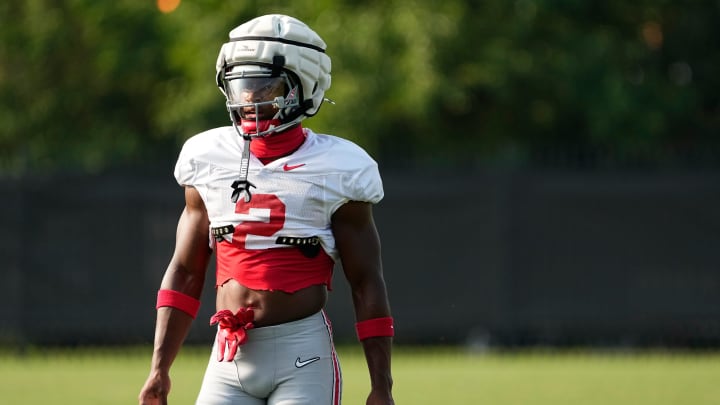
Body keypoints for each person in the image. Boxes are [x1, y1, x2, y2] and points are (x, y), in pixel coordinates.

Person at [138, 14, 395, 405]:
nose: (248, 99)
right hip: (228, 357)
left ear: (303, 87)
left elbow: (366, 281)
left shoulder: (339, 166)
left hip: (302, 356)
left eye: (264, 86)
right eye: (240, 85)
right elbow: (186, 270)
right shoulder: (207, 157)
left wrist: (382, 385)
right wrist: (159, 369)